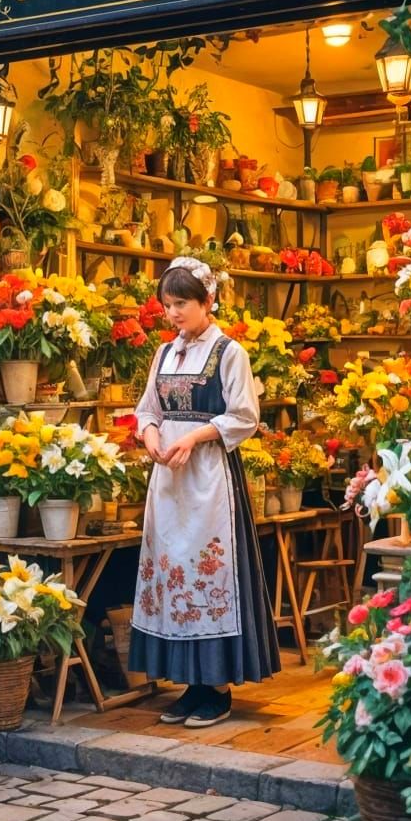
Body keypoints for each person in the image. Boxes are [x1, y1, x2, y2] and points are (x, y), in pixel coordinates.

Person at [128, 256, 281, 727]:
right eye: (168, 305)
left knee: (207, 573)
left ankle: (216, 686)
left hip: (208, 480)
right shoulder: (164, 353)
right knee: (173, 573)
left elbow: (244, 416)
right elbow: (147, 409)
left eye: (182, 304)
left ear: (208, 301)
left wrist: (194, 437)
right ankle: (188, 684)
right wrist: (151, 435)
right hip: (168, 482)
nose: (173, 314)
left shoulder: (229, 352)